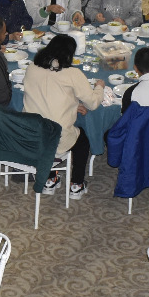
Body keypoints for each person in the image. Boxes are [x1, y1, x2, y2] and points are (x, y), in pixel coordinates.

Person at [23, 33, 101, 198]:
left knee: (47, 122)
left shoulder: (31, 67)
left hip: (31, 133)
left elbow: (46, 95)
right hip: (56, 136)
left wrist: (72, 104)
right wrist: (99, 87)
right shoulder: (72, 73)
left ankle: (50, 178)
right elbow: (93, 103)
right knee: (82, 140)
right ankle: (76, 184)